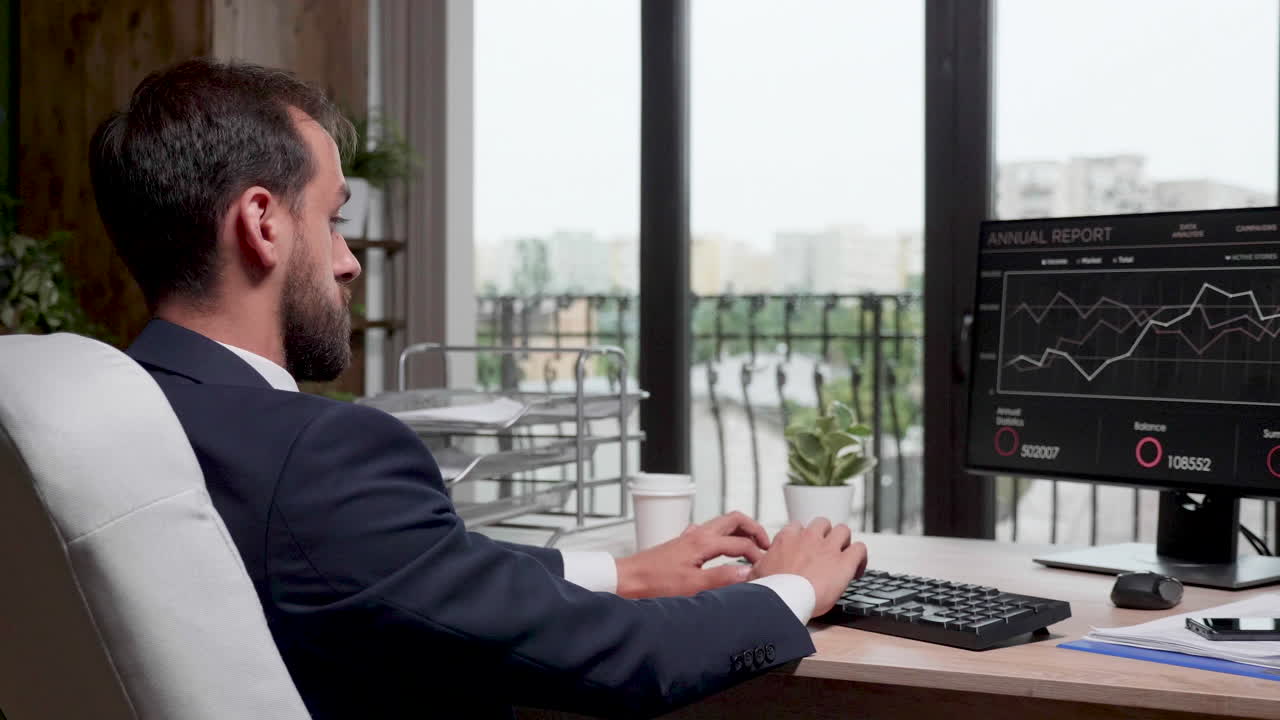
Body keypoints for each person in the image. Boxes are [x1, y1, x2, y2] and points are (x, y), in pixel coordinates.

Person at [88, 59, 867, 719]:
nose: (350, 261)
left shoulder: (117, 419)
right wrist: (792, 585)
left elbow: (417, 572)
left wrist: (621, 571)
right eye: (331, 220)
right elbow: (630, 661)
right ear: (263, 223)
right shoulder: (318, 455)